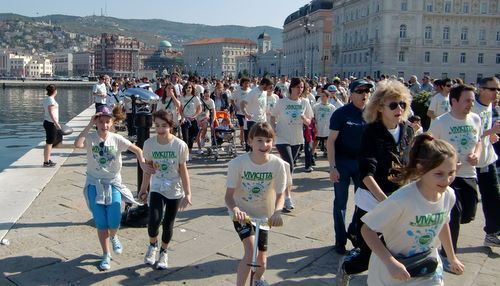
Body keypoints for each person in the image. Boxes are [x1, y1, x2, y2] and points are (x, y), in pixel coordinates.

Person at [337, 80, 414, 285]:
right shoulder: (370, 132)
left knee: (395, 249)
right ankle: (347, 267)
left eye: (403, 105)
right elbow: (366, 173)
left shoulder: (408, 130)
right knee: (369, 253)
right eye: (393, 105)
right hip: (372, 198)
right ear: (380, 107)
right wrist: (385, 201)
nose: (399, 109)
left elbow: (411, 164)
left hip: (398, 197)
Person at [361, 134, 464, 285]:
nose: (446, 180)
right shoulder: (402, 200)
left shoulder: (449, 195)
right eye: (439, 174)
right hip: (393, 271)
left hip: (427, 265)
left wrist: (451, 257)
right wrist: (390, 263)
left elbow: (442, 223)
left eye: (451, 173)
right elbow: (367, 230)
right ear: (421, 169)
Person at [74, 105, 151, 271]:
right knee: (101, 222)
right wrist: (89, 124)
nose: (104, 125)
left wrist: (143, 163)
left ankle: (114, 235)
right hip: (94, 184)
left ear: (112, 122)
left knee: (114, 219)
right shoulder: (91, 137)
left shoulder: (116, 138)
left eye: (107, 121)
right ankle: (106, 254)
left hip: (113, 183)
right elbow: (78, 144)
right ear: (96, 122)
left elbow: (137, 149)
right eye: (101, 122)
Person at [224, 122, 286, 286]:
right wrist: (236, 209)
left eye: (268, 140)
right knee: (251, 251)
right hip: (242, 214)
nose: (264, 145)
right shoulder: (238, 163)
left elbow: (281, 195)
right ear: (250, 141)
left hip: (264, 215)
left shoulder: (278, 164)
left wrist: (278, 212)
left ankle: (258, 278)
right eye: (259, 140)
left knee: (262, 261)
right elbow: (228, 196)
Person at [428, 84, 482, 271]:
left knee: (468, 213)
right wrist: (446, 164)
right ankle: (448, 256)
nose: (471, 104)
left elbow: (479, 141)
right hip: (448, 178)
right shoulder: (440, 123)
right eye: (467, 100)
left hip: (469, 174)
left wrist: (476, 153)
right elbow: (430, 148)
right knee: (455, 214)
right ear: (454, 101)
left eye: (473, 101)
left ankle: (444, 238)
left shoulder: (475, 119)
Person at [138, 110, 192, 270]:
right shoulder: (149, 144)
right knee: (154, 220)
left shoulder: (179, 145)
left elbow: (183, 170)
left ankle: (164, 251)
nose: (160, 129)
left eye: (164, 126)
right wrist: (143, 189)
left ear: (170, 126)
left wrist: (188, 193)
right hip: (157, 187)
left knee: (168, 223)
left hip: (175, 189)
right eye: (157, 126)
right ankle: (152, 245)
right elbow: (148, 169)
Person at [327, 79, 373, 255]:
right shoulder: (341, 114)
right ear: (351, 93)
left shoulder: (372, 114)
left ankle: (354, 231)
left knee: (362, 202)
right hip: (342, 163)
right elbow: (331, 141)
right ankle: (340, 240)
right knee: (340, 203)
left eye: (367, 91)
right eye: (360, 91)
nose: (364, 95)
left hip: (362, 165)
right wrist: (332, 167)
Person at [271, 77, 314, 211]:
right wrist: (272, 131)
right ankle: (287, 198)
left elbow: (309, 122)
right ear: (291, 87)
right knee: (289, 165)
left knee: (289, 168)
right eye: (297, 87)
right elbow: (273, 116)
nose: (299, 90)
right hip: (282, 137)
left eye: (302, 87)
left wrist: (304, 118)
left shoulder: (305, 102)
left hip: (297, 139)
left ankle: (278, 186)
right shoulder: (282, 102)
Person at [471, 76, 500, 247]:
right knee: (468, 205)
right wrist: (491, 131)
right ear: (481, 89)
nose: (496, 93)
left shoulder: (489, 105)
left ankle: (492, 232)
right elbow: (469, 135)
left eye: (498, 89)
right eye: (493, 89)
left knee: (493, 197)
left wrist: (491, 135)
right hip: (473, 162)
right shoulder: (472, 107)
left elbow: (484, 133)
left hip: (488, 159)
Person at [241, 77, 272, 152]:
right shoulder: (253, 92)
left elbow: (263, 105)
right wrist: (246, 114)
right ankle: (248, 157)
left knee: (262, 139)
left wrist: (268, 112)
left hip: (262, 119)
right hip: (252, 119)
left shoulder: (264, 92)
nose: (269, 89)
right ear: (264, 84)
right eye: (268, 87)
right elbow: (242, 104)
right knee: (252, 141)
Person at [180, 82, 202, 157]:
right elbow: (180, 109)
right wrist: (182, 117)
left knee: (191, 137)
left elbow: (199, 109)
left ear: (192, 88)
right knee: (185, 137)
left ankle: (189, 153)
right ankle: (185, 154)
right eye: (186, 87)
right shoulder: (182, 97)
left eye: (189, 87)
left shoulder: (195, 98)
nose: (188, 89)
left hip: (193, 120)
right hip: (185, 120)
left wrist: (195, 115)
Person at [42, 84, 61, 167]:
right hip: (51, 123)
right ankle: (46, 162)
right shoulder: (51, 101)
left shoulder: (47, 99)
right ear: (55, 91)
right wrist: (56, 123)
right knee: (49, 143)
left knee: (49, 142)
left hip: (47, 122)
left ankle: (47, 159)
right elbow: (51, 113)